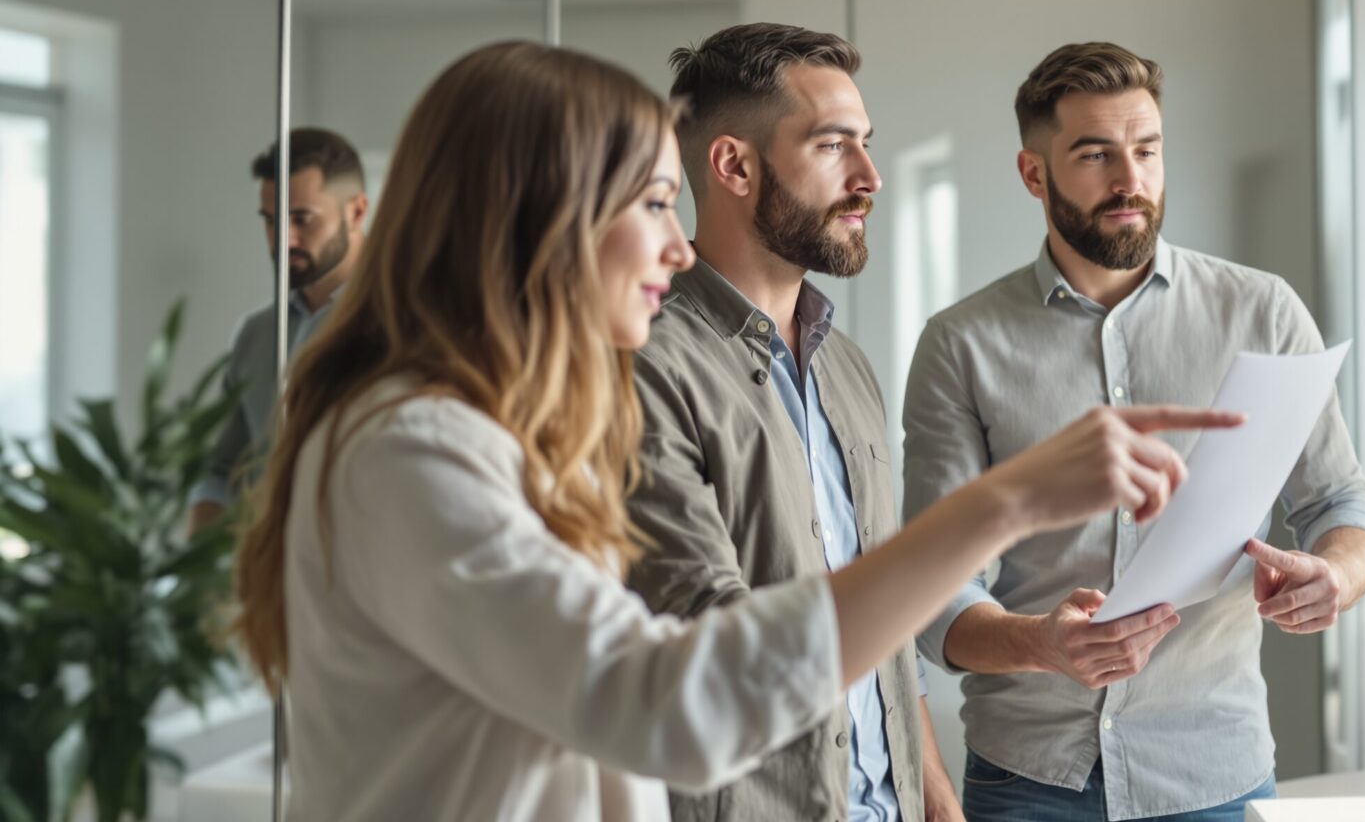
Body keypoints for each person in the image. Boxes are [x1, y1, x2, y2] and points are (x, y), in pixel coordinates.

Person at [232, 40, 1235, 821]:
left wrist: (923, 766)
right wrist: (1002, 502)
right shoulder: (410, 452)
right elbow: (672, 698)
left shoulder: (490, 435)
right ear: (542, 217)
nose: (677, 240)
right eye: (657, 202)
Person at [903, 42, 1365, 822]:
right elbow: (931, 601)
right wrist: (1043, 645)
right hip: (1028, 785)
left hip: (1212, 775)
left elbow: (1343, 505)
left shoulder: (1262, 312)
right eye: (1096, 155)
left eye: (1147, 150)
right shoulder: (960, 345)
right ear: (1035, 174)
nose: (1131, 181)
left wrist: (1337, 574)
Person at [627, 23, 957, 822]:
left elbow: (884, 621)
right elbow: (712, 633)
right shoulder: (647, 368)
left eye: (866, 145)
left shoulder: (849, 369)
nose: (870, 176)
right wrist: (1001, 510)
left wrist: (937, 797)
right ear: (735, 165)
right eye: (833, 146)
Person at [188, 128, 367, 535]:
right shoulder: (256, 334)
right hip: (268, 580)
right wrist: (195, 583)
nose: (282, 239)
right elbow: (220, 470)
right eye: (270, 220)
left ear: (356, 212)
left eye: (301, 218)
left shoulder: (404, 320)